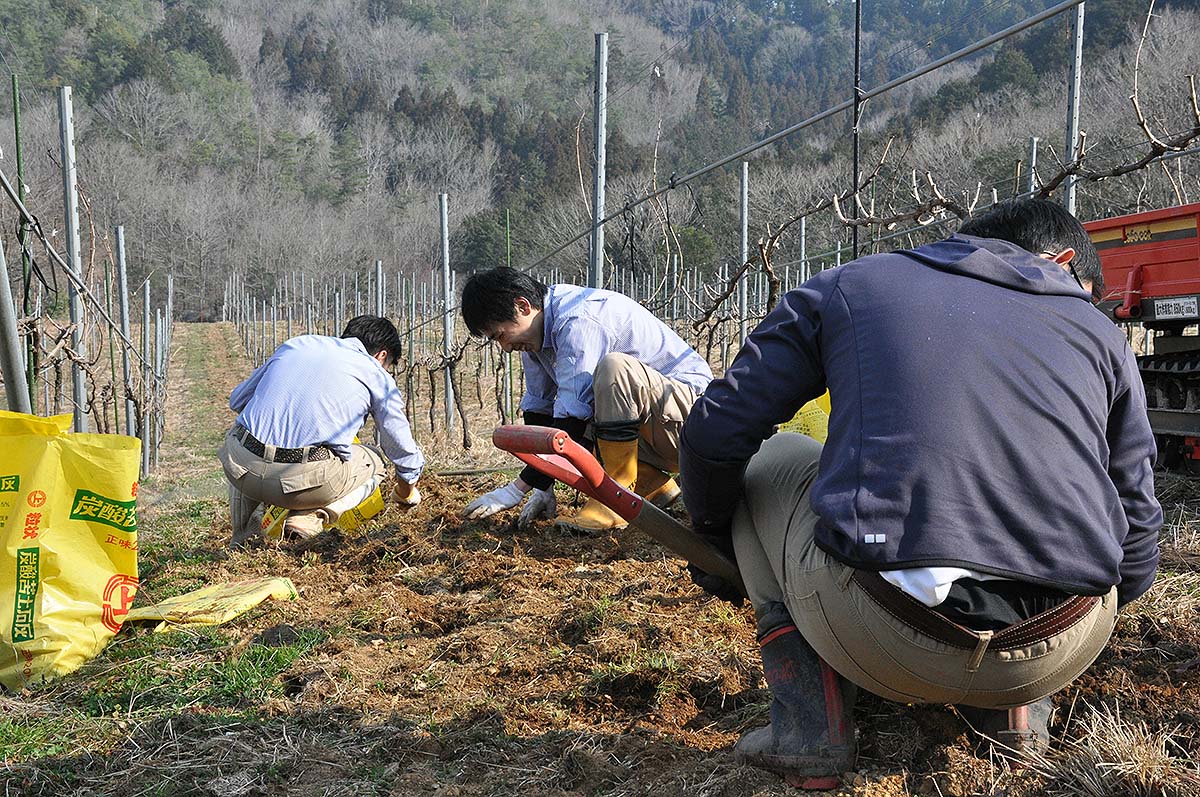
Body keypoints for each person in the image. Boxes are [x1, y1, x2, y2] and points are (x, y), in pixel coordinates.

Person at [679, 199, 1161, 789]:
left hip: (882, 635)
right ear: (1060, 262)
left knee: (772, 457)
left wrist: (713, 533)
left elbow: (714, 431)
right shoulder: (1101, 334)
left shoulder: (853, 283)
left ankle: (809, 729)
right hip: (1062, 643)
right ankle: (1015, 719)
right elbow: (1136, 524)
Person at [460, 267, 714, 532]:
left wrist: (516, 489)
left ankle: (617, 494)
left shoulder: (579, 318)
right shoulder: (534, 337)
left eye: (500, 335)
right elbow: (540, 412)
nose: (505, 347)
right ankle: (651, 485)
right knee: (582, 413)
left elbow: (570, 425)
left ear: (523, 306)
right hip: (653, 428)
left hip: (691, 425)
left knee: (614, 371)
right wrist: (542, 487)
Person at [218, 315, 425, 546]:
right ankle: (311, 517)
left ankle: (243, 537)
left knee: (246, 435)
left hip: (240, 469)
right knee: (375, 460)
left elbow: (237, 400)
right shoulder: (376, 374)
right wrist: (406, 492)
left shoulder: (297, 344)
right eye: (388, 366)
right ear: (382, 355)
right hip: (301, 484)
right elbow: (400, 447)